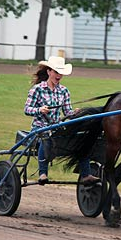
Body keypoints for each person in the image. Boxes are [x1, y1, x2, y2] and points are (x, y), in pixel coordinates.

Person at [24, 56, 100, 185]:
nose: (59, 75)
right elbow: (27, 109)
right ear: (49, 72)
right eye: (56, 72)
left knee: (82, 139)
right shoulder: (37, 89)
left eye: (61, 73)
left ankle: (86, 174)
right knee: (45, 134)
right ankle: (43, 173)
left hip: (57, 127)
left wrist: (75, 113)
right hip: (39, 127)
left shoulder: (64, 91)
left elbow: (67, 112)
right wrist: (39, 110)